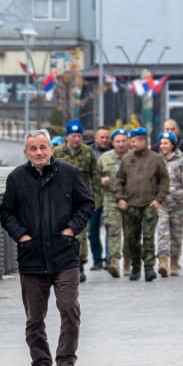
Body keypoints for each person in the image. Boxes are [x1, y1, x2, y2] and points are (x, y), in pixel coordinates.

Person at [0, 130, 94, 366]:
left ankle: (66, 362)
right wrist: (22, 236)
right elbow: (6, 212)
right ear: (26, 152)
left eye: (43, 147)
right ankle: (41, 365)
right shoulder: (17, 178)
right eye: (33, 148)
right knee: (34, 318)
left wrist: (71, 229)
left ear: (51, 149)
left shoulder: (68, 174)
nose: (39, 152)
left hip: (64, 256)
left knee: (69, 309)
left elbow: (86, 204)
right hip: (32, 259)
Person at [114, 128, 170, 281]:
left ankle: (149, 267)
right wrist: (121, 198)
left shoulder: (156, 159)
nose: (131, 143)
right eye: (130, 141)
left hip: (149, 204)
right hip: (131, 205)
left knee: (148, 237)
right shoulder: (126, 159)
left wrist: (158, 199)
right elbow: (119, 180)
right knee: (132, 238)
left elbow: (164, 181)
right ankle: (136, 267)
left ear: (143, 141)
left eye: (134, 141)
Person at [53, 119, 102, 282]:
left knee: (80, 234)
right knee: (62, 233)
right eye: (73, 136)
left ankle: (79, 265)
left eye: (79, 136)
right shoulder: (57, 153)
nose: (76, 139)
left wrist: (96, 199)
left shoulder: (88, 153)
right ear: (67, 137)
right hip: (60, 201)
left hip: (81, 201)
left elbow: (95, 176)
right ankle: (64, 265)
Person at [155, 131, 183, 277]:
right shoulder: (156, 160)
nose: (163, 146)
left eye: (166, 143)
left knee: (177, 236)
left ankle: (174, 263)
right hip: (162, 205)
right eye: (161, 143)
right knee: (162, 233)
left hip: (178, 205)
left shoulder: (182, 160)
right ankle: (163, 262)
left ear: (172, 145)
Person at [98, 128, 130, 278]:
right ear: (113, 142)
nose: (121, 144)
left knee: (131, 233)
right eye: (117, 141)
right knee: (113, 230)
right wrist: (100, 181)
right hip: (110, 198)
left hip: (132, 198)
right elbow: (94, 177)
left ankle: (128, 263)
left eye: (123, 141)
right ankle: (114, 262)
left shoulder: (133, 157)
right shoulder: (105, 158)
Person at [86, 126, 113, 272]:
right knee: (92, 230)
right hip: (93, 197)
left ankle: (110, 259)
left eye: (106, 137)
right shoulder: (88, 153)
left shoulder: (114, 151)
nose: (104, 140)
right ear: (95, 138)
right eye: (101, 137)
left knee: (111, 229)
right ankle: (97, 260)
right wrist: (98, 182)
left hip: (110, 196)